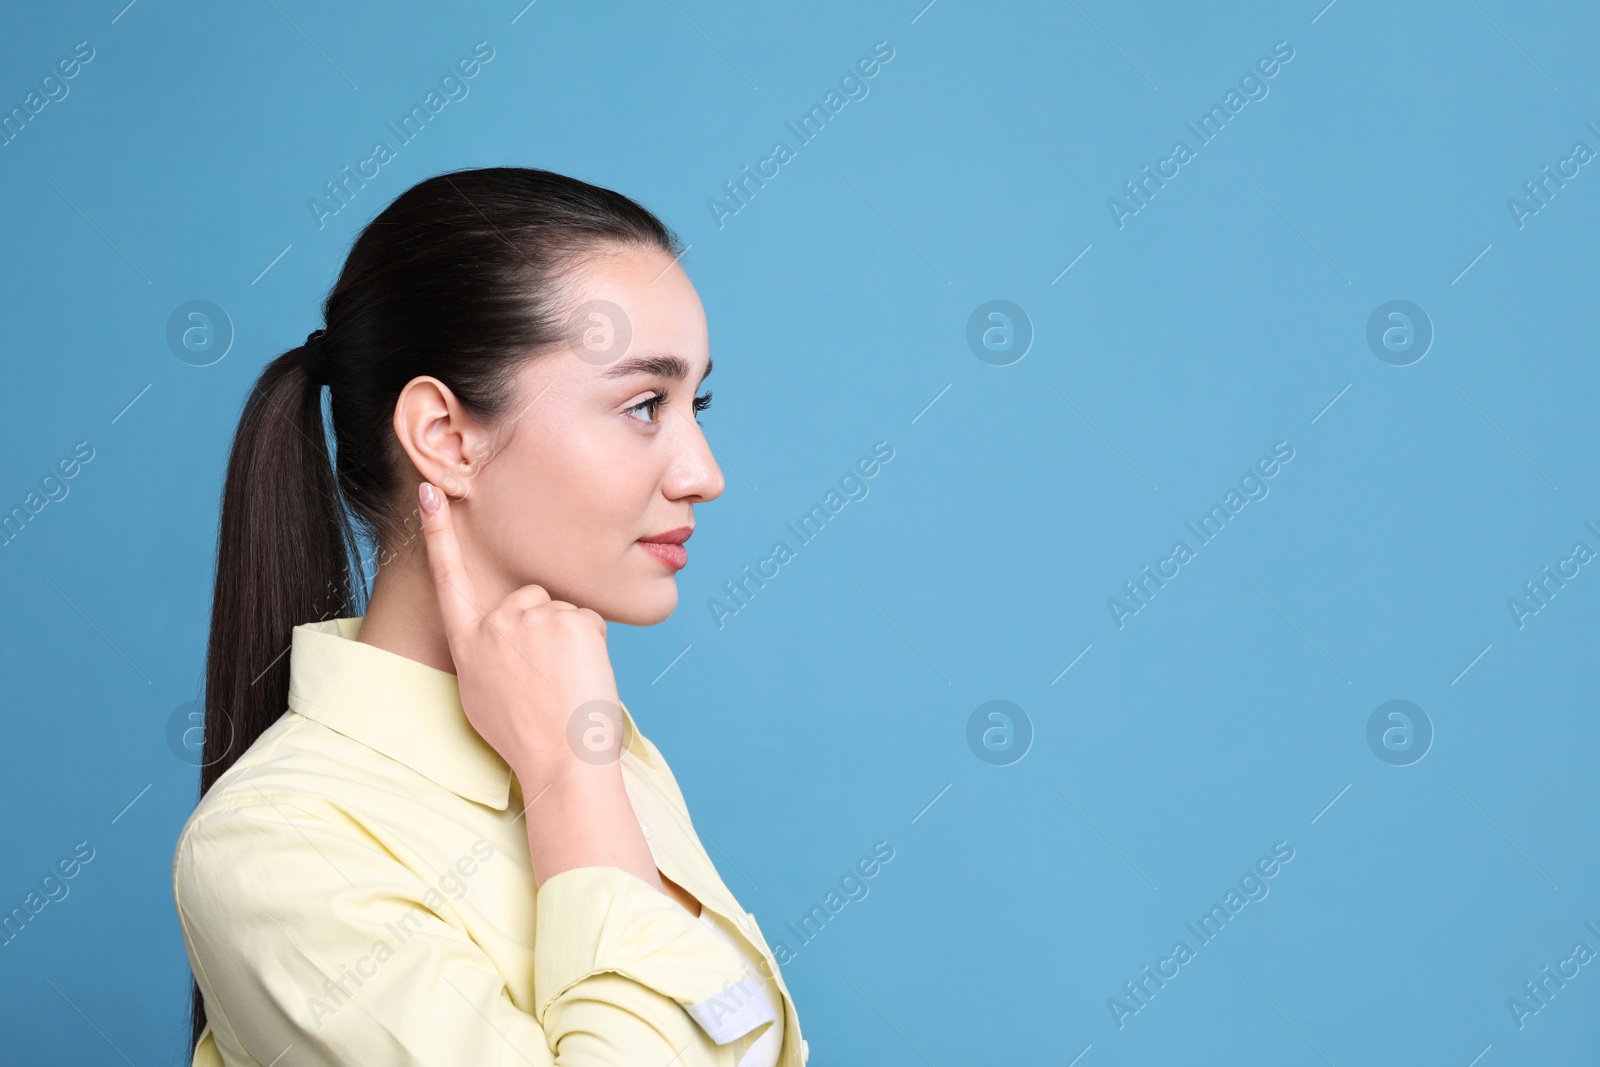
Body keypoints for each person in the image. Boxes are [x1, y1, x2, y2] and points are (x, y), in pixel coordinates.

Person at [172, 167, 806, 1066]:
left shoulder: (582, 729)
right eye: (642, 405)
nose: (703, 472)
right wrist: (568, 779)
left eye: (693, 403)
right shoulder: (277, 848)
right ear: (445, 437)